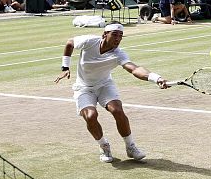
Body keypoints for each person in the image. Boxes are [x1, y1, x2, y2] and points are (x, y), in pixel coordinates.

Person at [54, 23, 167, 162]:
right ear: (104, 35)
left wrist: (156, 78)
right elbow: (70, 43)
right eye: (114, 34)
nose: (118, 39)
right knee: (90, 116)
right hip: (83, 87)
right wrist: (65, 67)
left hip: (104, 85)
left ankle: (130, 146)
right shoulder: (90, 41)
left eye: (120, 36)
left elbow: (134, 69)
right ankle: (103, 146)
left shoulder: (118, 54)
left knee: (117, 110)